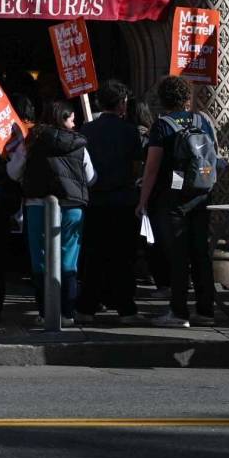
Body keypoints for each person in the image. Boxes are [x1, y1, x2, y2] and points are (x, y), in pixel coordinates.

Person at [136, 77, 219, 327]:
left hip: (173, 198)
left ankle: (179, 312)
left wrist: (142, 201)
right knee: (201, 253)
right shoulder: (202, 120)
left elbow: (152, 168)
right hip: (201, 194)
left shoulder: (162, 126)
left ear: (163, 100)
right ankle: (205, 310)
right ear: (187, 97)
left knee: (178, 255)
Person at [11, 100, 93, 325]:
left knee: (40, 260)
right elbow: (91, 176)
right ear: (63, 119)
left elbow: (13, 171)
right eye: (72, 118)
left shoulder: (31, 141)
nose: (75, 123)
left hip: (37, 205)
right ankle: (66, 312)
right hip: (72, 206)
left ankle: (45, 312)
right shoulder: (79, 144)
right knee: (69, 260)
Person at [77, 82, 144, 324]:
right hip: (123, 199)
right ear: (122, 103)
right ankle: (126, 308)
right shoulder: (130, 130)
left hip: (95, 200)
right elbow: (137, 165)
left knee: (93, 256)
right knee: (123, 257)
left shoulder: (87, 129)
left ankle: (87, 306)